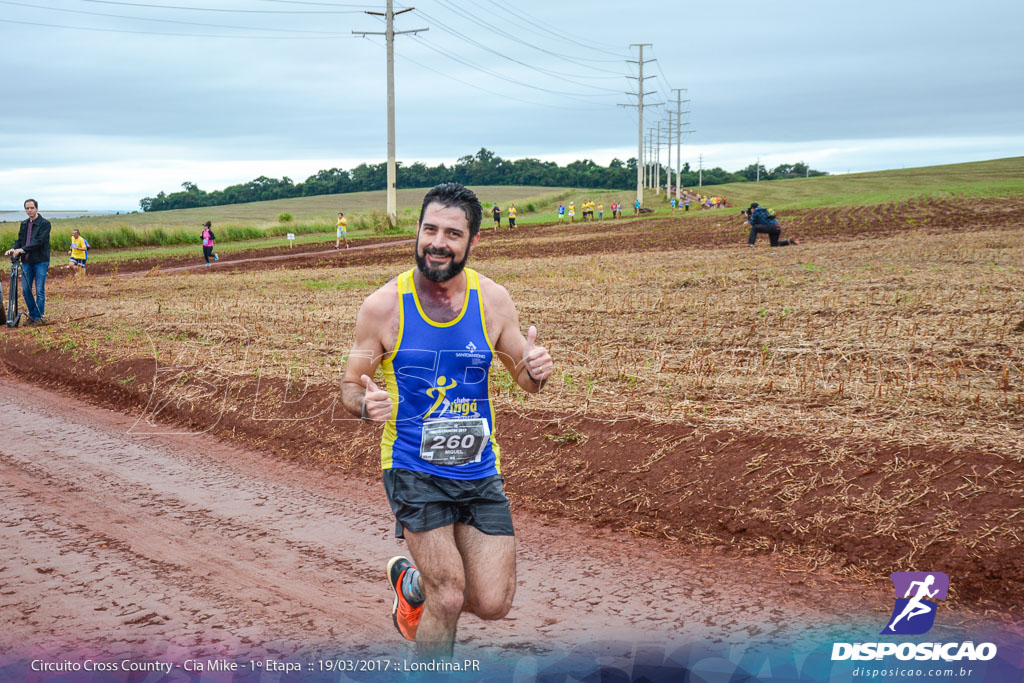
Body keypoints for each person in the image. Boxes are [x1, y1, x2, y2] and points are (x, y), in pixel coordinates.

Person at [340, 183, 554, 660]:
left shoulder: (493, 301)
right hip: (413, 467)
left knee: (492, 603)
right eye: (429, 229)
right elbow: (351, 383)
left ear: (472, 242)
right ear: (418, 231)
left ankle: (411, 585)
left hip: (478, 470)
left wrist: (536, 370)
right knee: (451, 596)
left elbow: (524, 377)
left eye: (452, 233)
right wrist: (365, 404)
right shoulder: (382, 307)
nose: (437, 241)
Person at [5, 198, 51, 325]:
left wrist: (22, 249)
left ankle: (38, 318)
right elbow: (20, 240)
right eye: (27, 208)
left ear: (36, 208)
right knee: (26, 290)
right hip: (26, 261)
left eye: (32, 208)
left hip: (40, 261)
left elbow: (39, 242)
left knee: (39, 290)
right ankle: (33, 316)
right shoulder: (24, 224)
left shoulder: (45, 224)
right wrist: (14, 248)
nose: (29, 210)